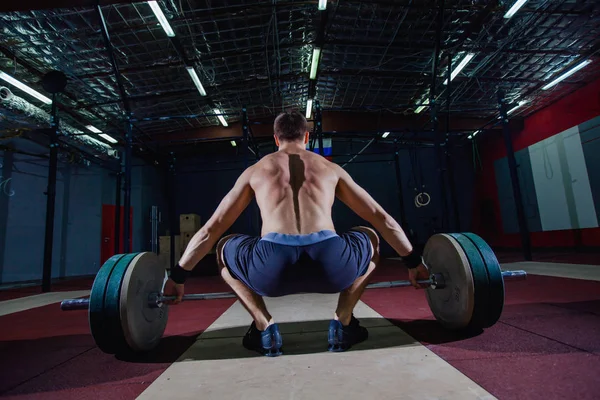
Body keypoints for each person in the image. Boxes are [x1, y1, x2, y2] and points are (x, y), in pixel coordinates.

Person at [163, 110, 429, 357]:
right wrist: (413, 262)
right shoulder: (331, 169)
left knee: (223, 245)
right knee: (370, 235)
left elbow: (211, 228)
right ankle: (343, 321)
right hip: (331, 267)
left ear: (276, 138)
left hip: (271, 271)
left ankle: (264, 326)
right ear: (307, 137)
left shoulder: (255, 171)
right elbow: (381, 217)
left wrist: (178, 276)